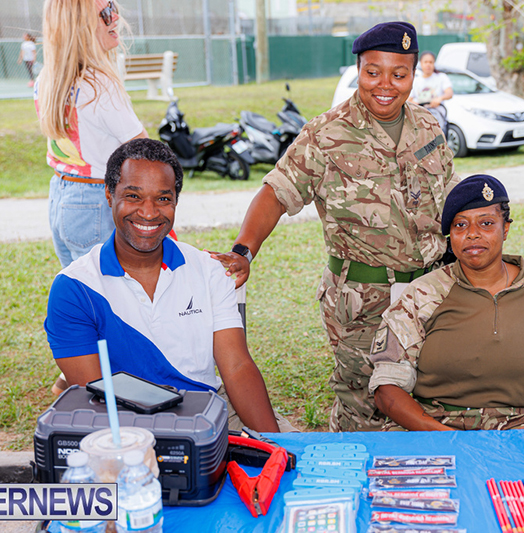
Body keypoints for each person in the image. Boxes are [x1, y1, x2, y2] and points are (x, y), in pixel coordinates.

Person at [210, 21, 460, 432]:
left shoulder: (429, 127)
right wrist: (243, 250)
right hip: (364, 301)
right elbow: (275, 193)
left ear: (414, 75)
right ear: (358, 70)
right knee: (364, 408)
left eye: (399, 74)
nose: (386, 84)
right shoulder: (327, 133)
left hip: (430, 293)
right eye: (373, 72)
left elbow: (450, 193)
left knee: (425, 396)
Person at [44, 139, 289, 434]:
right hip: (123, 425)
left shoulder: (208, 271)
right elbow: (98, 399)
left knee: (296, 465)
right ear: (109, 195)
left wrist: (276, 446)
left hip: (208, 412)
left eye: (163, 199)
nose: (148, 213)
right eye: (133, 196)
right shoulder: (75, 288)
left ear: (175, 200)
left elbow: (237, 368)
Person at [368, 175, 524, 431]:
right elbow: (386, 390)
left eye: (486, 223)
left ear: (505, 229)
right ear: (450, 235)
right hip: (436, 428)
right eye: (460, 225)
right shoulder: (424, 294)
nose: (472, 234)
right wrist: (448, 438)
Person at [36, 0, 147, 269]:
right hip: (96, 199)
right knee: (110, 297)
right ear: (80, 27)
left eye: (114, 8)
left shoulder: (48, 78)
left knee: (82, 296)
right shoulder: (98, 85)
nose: (116, 18)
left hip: (62, 196)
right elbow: (145, 149)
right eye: (106, 13)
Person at [408, 51, 453, 133]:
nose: (428, 64)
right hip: (420, 117)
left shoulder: (441, 77)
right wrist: (415, 103)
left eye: (430, 62)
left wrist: (440, 99)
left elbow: (449, 93)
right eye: (425, 62)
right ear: (421, 63)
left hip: (437, 117)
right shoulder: (416, 81)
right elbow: (408, 100)